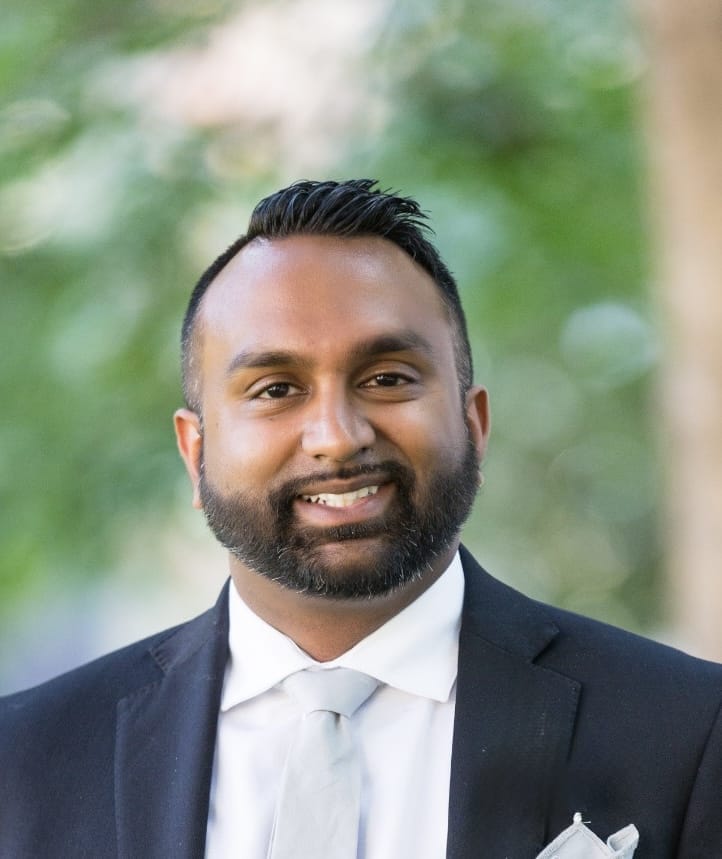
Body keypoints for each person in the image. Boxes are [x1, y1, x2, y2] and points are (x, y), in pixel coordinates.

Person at [1, 179, 721, 859]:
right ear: (196, 451)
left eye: (387, 379)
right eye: (276, 388)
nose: (339, 435)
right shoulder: (24, 760)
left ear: (474, 425)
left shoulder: (687, 731)